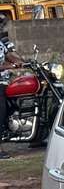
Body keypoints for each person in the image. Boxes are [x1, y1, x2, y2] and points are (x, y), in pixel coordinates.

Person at [0, 14, 25, 160]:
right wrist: (11, 65)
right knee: (1, 111)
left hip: (6, 81)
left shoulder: (1, 43)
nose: (0, 27)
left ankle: (38, 137)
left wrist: (23, 62)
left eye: (1, 24)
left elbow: (9, 55)